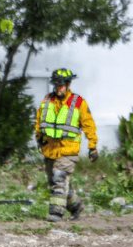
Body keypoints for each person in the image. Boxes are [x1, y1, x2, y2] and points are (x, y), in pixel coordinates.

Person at [34, 68, 98, 222]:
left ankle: (56, 213)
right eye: (56, 85)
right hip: (50, 150)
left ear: (68, 84)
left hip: (68, 150)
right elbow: (39, 121)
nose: (58, 88)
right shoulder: (47, 101)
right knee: (57, 183)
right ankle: (76, 206)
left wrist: (92, 146)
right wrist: (39, 137)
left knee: (59, 178)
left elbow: (89, 125)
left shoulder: (78, 102)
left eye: (61, 85)